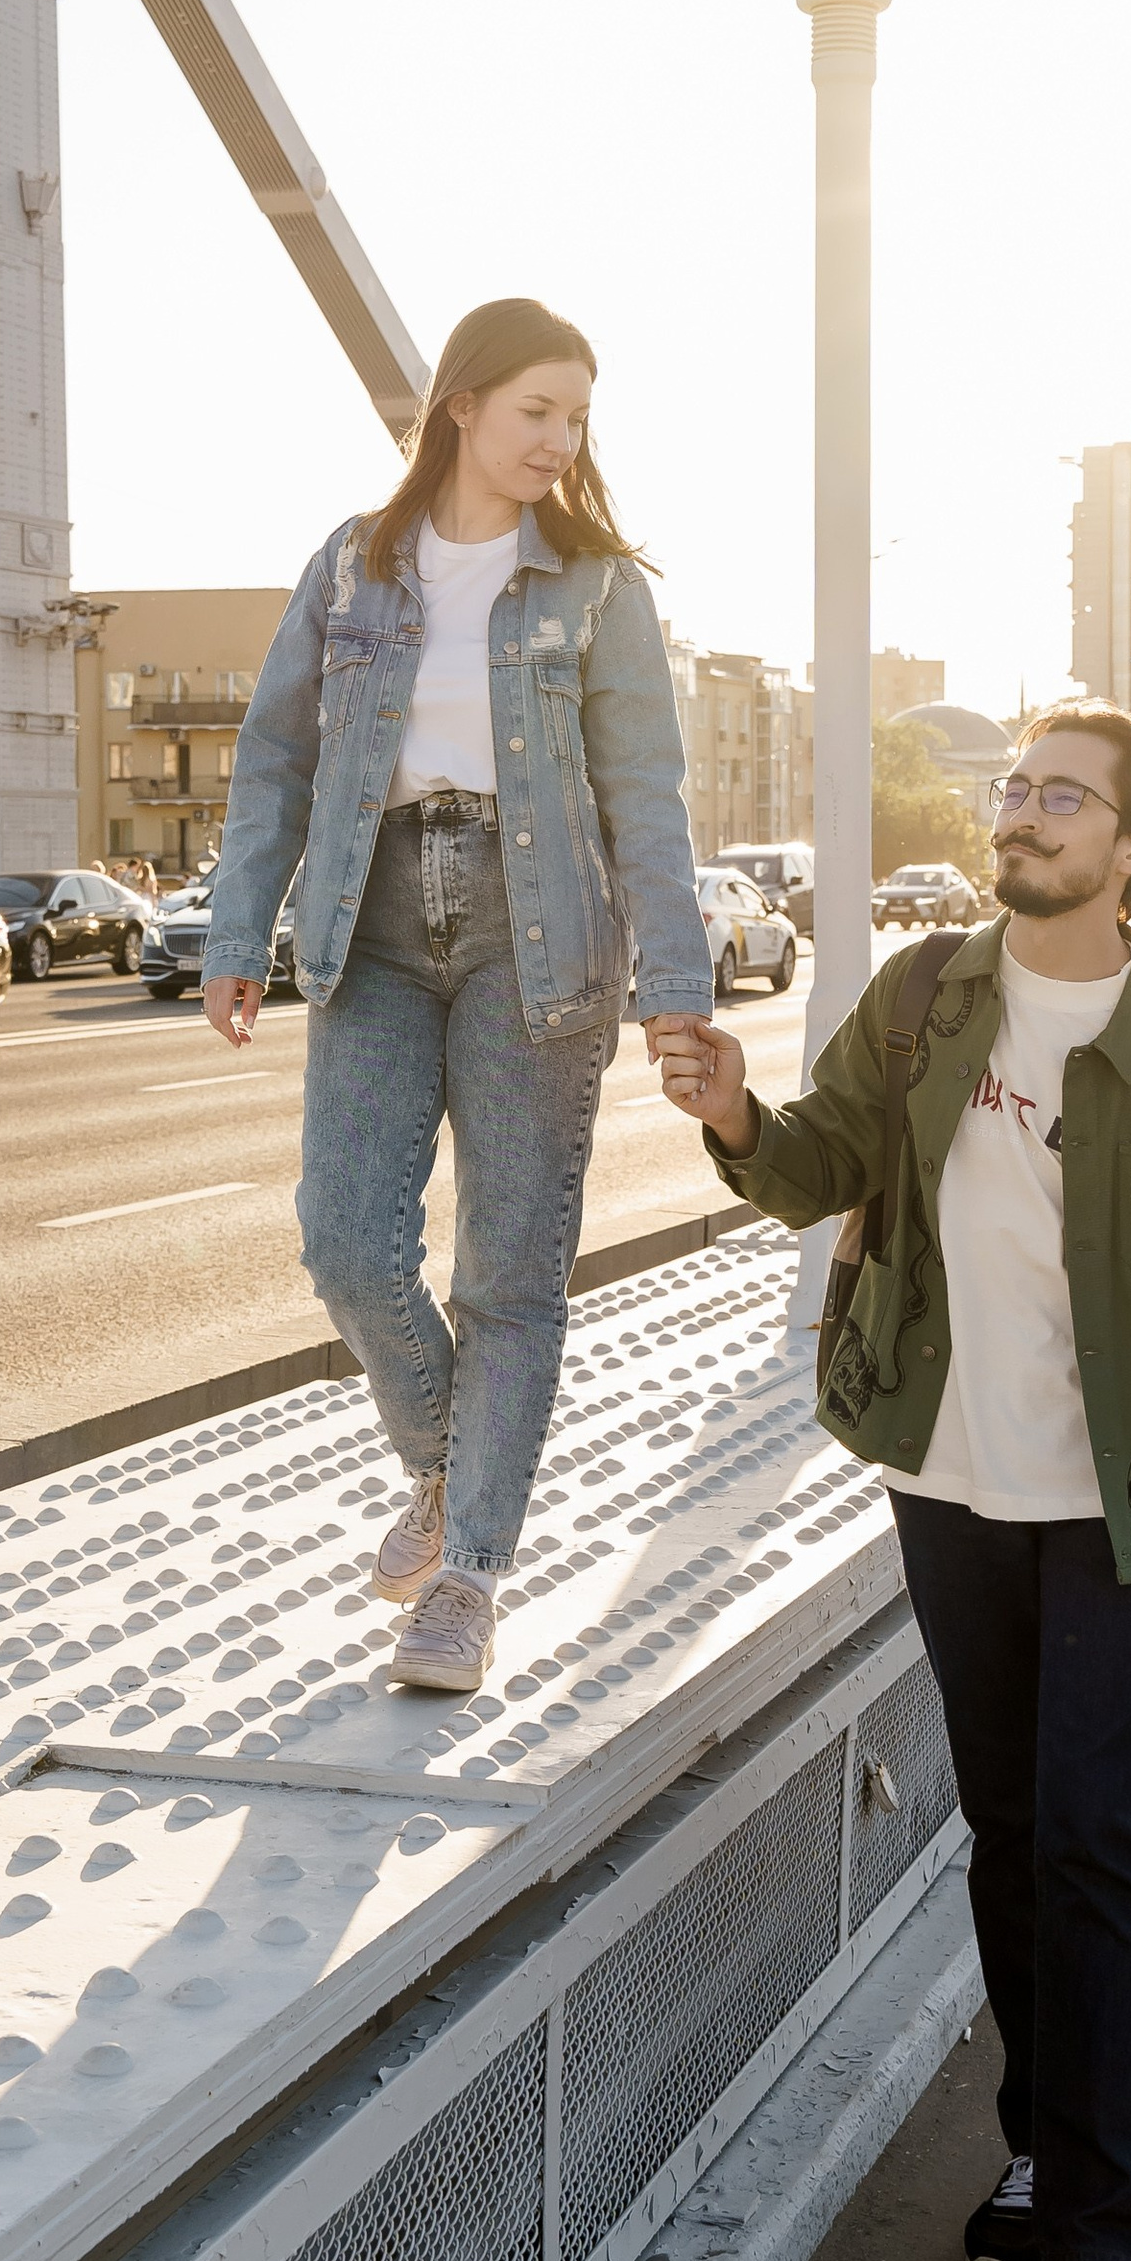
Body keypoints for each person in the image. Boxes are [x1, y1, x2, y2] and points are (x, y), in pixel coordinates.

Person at [648, 700, 1131, 2261]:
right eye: (1018, 786)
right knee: (1014, 1828)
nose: (1025, 811)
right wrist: (742, 1113)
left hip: (1125, 1505)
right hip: (952, 1482)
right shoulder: (924, 998)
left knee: (1102, 1846)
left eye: (1065, 796)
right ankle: (1041, 2153)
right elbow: (825, 1163)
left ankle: (1111, 2251)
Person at [203, 297, 711, 1691]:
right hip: (368, 917)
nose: (561, 441)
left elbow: (647, 797)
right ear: (464, 407)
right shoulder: (351, 568)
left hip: (535, 930)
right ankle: (449, 1470)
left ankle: (469, 1576)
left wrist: (678, 982)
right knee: (349, 1247)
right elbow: (275, 765)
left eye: (579, 419)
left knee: (509, 1271)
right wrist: (237, 928)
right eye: (538, 409)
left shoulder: (599, 587)